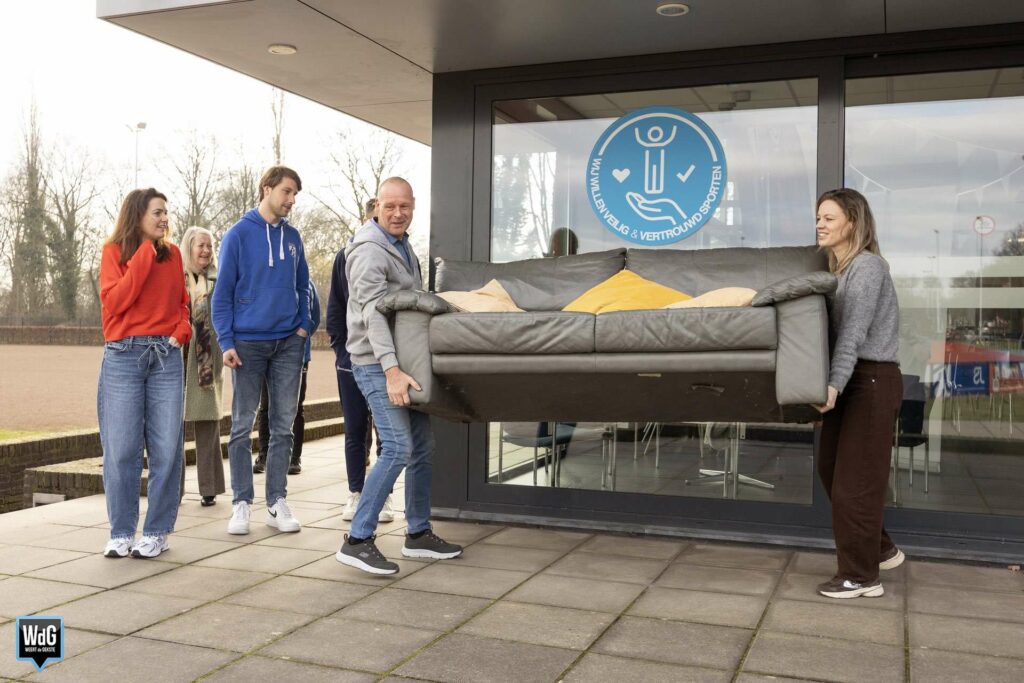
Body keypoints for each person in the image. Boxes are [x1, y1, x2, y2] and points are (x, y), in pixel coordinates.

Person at [336, 178, 462, 574]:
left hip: (408, 362)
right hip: (378, 365)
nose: (397, 213)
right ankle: (357, 540)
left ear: (413, 206)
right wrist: (391, 370)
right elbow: (373, 315)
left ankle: (418, 533)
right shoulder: (369, 252)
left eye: (404, 206)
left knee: (422, 446)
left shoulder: (402, 245)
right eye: (389, 206)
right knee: (397, 447)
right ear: (377, 206)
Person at [211, 165, 312, 536]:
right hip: (247, 344)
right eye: (287, 191)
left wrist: (304, 326)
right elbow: (221, 294)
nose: (291, 200)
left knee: (283, 427)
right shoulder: (238, 235)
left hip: (288, 343)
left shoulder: (293, 237)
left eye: (295, 194)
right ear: (267, 189)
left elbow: (304, 287)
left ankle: (276, 501)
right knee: (241, 427)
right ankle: (241, 502)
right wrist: (226, 341)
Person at [814, 188, 903, 599]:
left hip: (871, 380)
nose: (820, 224)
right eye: (818, 217)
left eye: (829, 218)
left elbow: (852, 334)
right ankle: (879, 549)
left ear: (852, 223)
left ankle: (860, 576)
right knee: (832, 471)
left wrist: (832, 385)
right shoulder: (838, 270)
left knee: (856, 484)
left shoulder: (867, 267)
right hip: (851, 379)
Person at [98, 188, 191, 559]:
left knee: (167, 449)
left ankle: (156, 532)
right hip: (123, 356)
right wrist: (143, 255)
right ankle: (121, 532)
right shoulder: (114, 253)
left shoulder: (174, 254)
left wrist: (181, 331)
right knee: (121, 449)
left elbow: (182, 304)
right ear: (137, 215)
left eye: (166, 212)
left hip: (166, 356)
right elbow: (115, 302)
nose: (164, 218)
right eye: (157, 212)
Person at [326, 197, 393, 524]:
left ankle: (384, 496)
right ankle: (355, 491)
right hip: (351, 360)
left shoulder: (396, 255)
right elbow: (335, 309)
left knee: (386, 430)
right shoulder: (346, 256)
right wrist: (342, 352)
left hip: (385, 360)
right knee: (355, 429)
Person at [254, 281, 321, 475]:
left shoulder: (308, 285)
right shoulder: (268, 279)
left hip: (298, 355)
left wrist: (299, 338)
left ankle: (294, 458)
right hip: (268, 353)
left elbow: (314, 318)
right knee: (266, 405)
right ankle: (264, 455)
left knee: (296, 407)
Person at [181, 226, 226, 507]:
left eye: (210, 246)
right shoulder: (177, 279)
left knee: (208, 425)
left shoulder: (219, 280)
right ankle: (172, 490)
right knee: (171, 429)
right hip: (179, 357)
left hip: (208, 360)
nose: (207, 251)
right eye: (201, 245)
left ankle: (209, 487)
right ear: (189, 248)